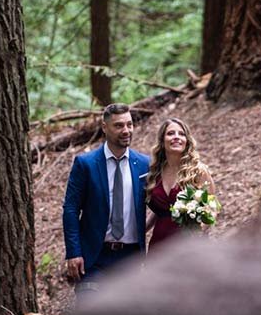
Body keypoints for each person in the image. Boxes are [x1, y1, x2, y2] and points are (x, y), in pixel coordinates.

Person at [62, 103, 150, 294]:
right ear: (104, 127)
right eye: (119, 125)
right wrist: (74, 252)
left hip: (131, 257)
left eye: (129, 124)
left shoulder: (144, 164)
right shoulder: (86, 164)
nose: (126, 130)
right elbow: (70, 209)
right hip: (94, 257)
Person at [145, 117, 214, 249]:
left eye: (181, 134)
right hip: (159, 243)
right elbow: (161, 210)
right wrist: (141, 231)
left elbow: (211, 208)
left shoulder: (198, 171)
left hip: (188, 245)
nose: (176, 137)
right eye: (170, 133)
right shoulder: (155, 172)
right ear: (162, 140)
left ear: (187, 141)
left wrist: (199, 233)